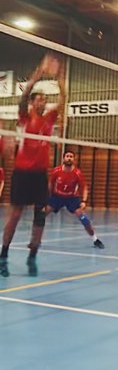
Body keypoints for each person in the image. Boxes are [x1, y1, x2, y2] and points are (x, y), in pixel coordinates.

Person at [0, 54, 65, 278]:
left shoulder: (49, 118)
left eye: (44, 100)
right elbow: (25, 94)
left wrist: (59, 77)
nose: (42, 102)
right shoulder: (25, 117)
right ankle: (3, 256)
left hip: (39, 175)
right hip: (22, 173)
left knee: (40, 216)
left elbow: (64, 99)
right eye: (38, 99)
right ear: (32, 103)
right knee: (15, 215)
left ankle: (32, 256)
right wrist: (39, 72)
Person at [47, 151, 104, 249]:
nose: (69, 158)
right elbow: (50, 184)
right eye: (67, 156)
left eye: (71, 157)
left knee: (83, 217)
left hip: (71, 198)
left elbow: (84, 188)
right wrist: (47, 197)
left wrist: (84, 201)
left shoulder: (77, 173)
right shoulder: (56, 171)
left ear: (74, 159)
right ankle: (35, 239)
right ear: (63, 158)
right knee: (41, 214)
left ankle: (95, 239)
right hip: (57, 197)